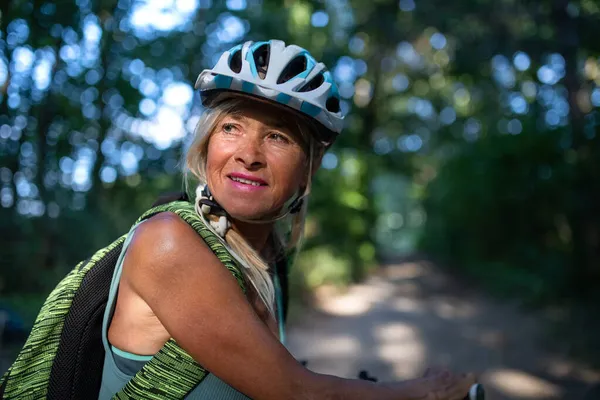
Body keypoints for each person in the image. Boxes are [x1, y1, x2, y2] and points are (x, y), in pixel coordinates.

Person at [98, 39, 476, 400]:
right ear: (207, 141)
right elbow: (298, 392)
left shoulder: (265, 259)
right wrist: (424, 392)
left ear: (309, 166)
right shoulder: (168, 242)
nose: (249, 154)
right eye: (231, 127)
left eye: (277, 137)